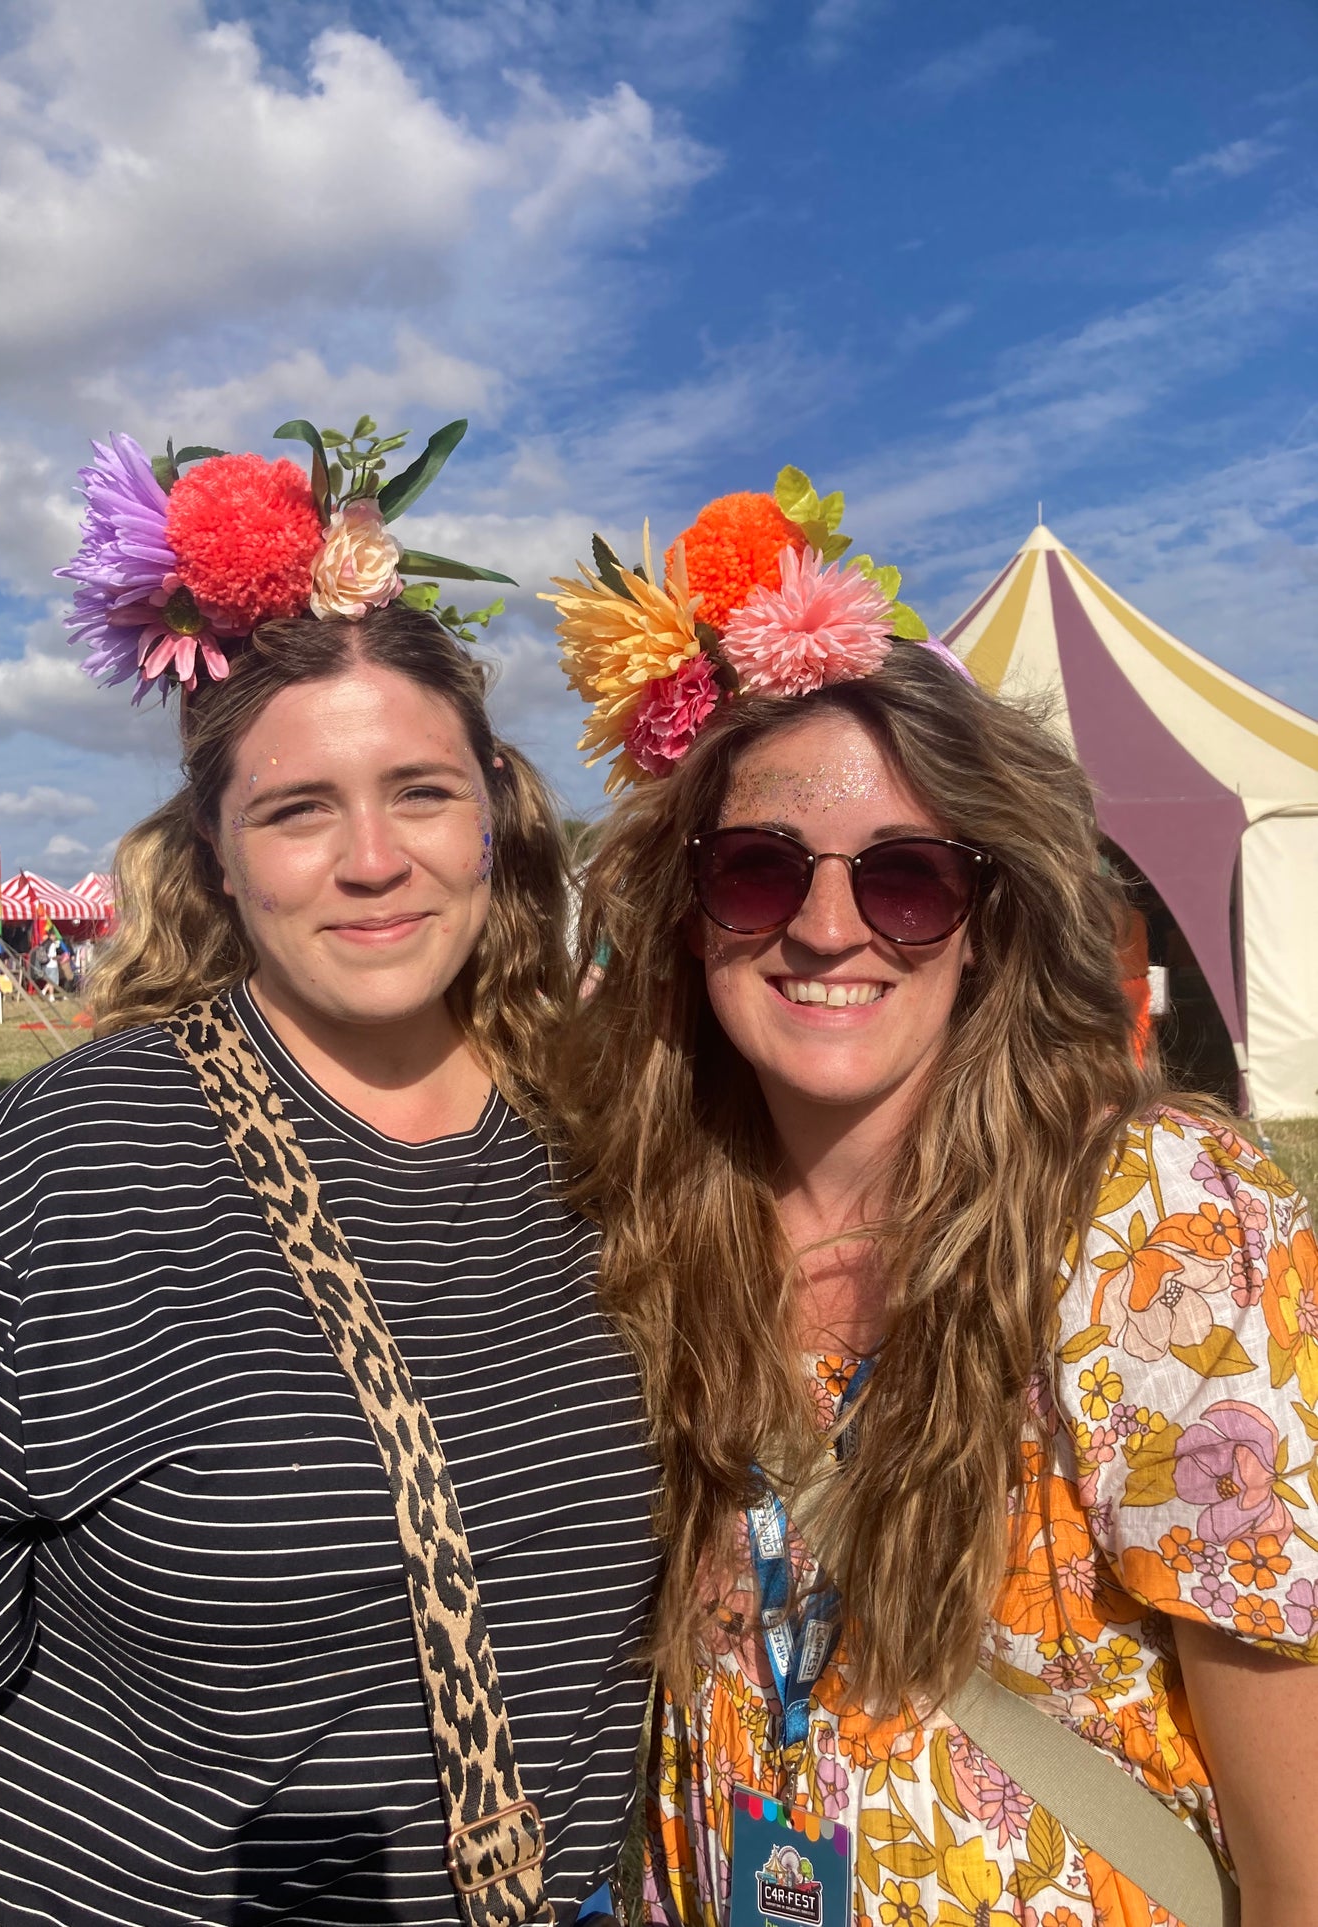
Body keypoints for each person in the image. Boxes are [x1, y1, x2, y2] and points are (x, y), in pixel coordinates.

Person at [0, 419, 657, 1926]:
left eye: (420, 793)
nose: (372, 858)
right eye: (299, 811)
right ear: (219, 856)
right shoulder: (66, 1175)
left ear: (492, 815)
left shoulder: (605, 1147)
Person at [546, 477, 1318, 1926]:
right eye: (756, 870)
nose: (827, 926)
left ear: (990, 924)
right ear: (685, 912)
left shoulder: (1154, 1223)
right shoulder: (644, 1220)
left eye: (905, 881)